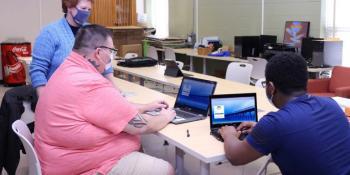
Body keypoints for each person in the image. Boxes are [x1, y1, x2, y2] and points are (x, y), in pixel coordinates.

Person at [34, 24, 175, 175]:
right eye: (112, 52)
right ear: (99, 53)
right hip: (82, 168)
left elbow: (112, 109)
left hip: (61, 159)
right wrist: (166, 116)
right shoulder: (90, 83)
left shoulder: (68, 70)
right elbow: (140, 125)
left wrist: (145, 107)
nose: (111, 58)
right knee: (165, 169)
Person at [219, 53, 350, 175]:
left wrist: (229, 134)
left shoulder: (275, 123)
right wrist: (260, 129)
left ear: (271, 87)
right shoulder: (331, 104)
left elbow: (235, 157)